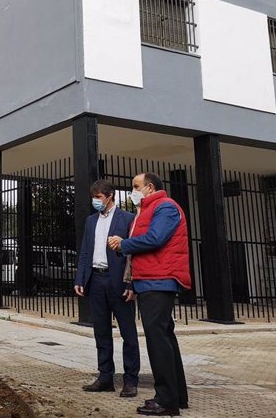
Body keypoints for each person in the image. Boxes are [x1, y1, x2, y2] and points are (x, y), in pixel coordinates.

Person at [108, 173, 191, 416]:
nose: (132, 191)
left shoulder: (165, 207)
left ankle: (166, 401)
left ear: (150, 187)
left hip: (160, 280)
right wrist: (133, 283)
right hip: (150, 281)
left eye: (136, 186)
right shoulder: (146, 211)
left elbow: (156, 238)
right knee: (165, 339)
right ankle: (177, 397)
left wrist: (123, 244)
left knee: (158, 341)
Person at [74, 179, 140, 398]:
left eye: (99, 197)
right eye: (94, 198)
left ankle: (131, 380)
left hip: (119, 283)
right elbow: (85, 251)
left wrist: (132, 283)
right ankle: (105, 378)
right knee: (101, 332)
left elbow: (134, 255)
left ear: (110, 196)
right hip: (96, 281)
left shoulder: (128, 219)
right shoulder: (91, 221)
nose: (96, 201)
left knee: (128, 333)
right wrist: (80, 278)